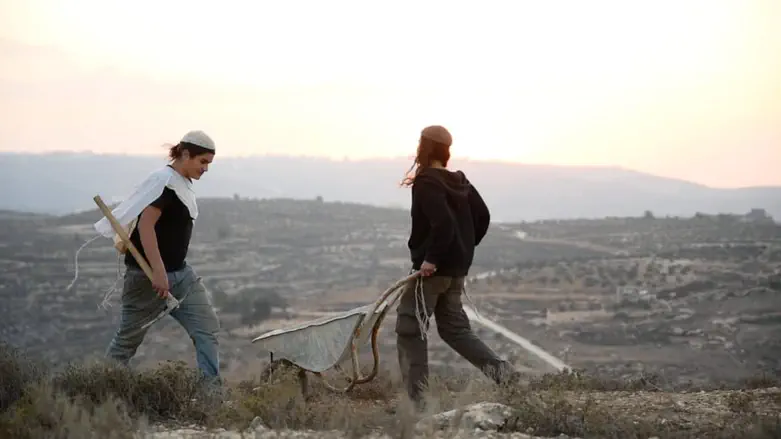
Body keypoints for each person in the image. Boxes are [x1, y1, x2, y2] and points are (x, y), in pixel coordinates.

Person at [396, 125, 519, 405]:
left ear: (423, 148)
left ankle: (417, 403)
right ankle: (504, 375)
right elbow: (483, 217)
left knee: (410, 327)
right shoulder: (460, 180)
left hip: (433, 271)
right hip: (455, 271)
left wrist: (432, 259)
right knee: (454, 329)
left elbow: (444, 224)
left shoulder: (427, 181)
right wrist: (462, 250)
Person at [97, 130, 221, 385]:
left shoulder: (181, 183)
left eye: (208, 163)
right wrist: (158, 271)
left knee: (206, 328)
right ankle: (96, 393)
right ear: (186, 154)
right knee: (127, 341)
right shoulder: (164, 183)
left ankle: (211, 398)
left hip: (181, 274)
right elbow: (145, 227)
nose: (206, 169)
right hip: (146, 277)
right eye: (203, 162)